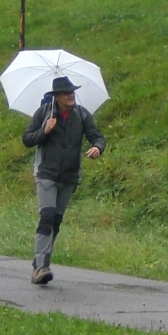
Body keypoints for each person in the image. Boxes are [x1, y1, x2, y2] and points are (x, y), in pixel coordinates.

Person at [22, 76, 106, 285]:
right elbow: (27, 139)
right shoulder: (44, 113)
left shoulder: (81, 114)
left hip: (69, 176)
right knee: (47, 215)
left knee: (56, 221)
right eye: (66, 93)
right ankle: (41, 266)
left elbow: (97, 136)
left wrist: (98, 148)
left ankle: (40, 263)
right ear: (56, 96)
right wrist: (45, 131)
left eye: (72, 92)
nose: (71, 95)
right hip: (46, 174)